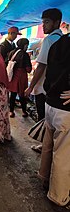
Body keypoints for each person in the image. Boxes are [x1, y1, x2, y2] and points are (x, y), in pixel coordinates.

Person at [38, 33, 70, 209]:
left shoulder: (58, 42)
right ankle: (59, 195)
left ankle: (44, 177)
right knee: (63, 154)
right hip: (65, 108)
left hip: (51, 103)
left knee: (48, 145)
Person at [25, 9, 63, 153]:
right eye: (43, 22)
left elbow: (41, 66)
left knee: (45, 120)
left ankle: (45, 147)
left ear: (57, 22)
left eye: (47, 22)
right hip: (56, 88)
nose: (43, 26)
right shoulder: (63, 39)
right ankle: (52, 147)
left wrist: (30, 87)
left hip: (43, 87)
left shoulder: (49, 40)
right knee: (54, 122)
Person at [8, 38, 32, 118]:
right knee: (22, 94)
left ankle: (11, 111)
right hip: (21, 76)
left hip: (13, 75)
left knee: (13, 94)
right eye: (27, 45)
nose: (27, 47)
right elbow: (28, 69)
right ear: (24, 45)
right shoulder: (25, 54)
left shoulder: (12, 52)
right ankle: (24, 111)